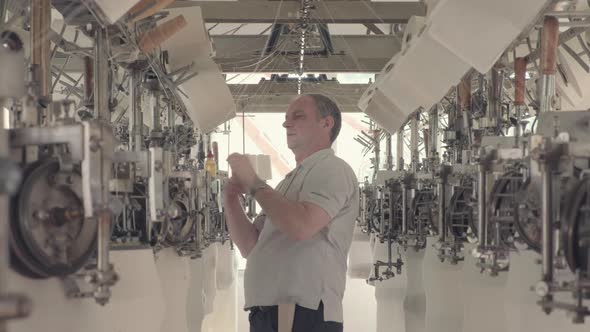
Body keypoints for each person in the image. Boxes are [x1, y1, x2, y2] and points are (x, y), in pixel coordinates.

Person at [224, 94, 359, 332]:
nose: (287, 124)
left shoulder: (334, 170)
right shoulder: (288, 183)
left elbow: (301, 226)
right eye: (286, 118)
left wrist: (255, 183)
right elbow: (249, 245)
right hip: (269, 314)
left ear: (326, 123)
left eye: (298, 116)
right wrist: (230, 197)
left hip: (305, 314)